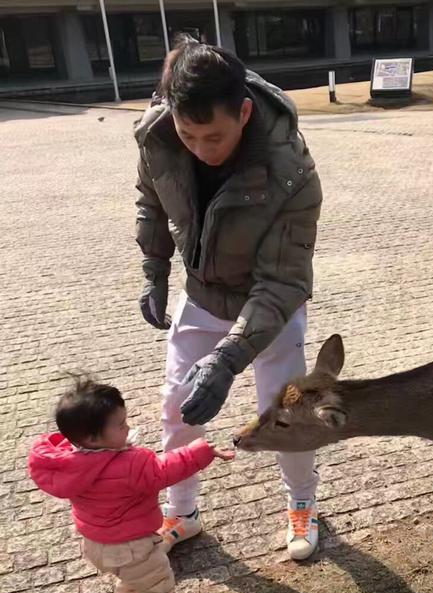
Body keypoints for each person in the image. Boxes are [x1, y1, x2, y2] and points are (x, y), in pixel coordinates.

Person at [134, 36, 322, 560]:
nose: (199, 147)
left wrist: (227, 359)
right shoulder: (159, 137)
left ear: (243, 113)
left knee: (282, 411)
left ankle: (302, 501)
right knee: (177, 405)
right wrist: (155, 268)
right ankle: (182, 511)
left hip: (271, 307)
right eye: (187, 132)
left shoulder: (292, 174)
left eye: (212, 136)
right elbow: (152, 197)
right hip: (201, 296)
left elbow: (282, 282)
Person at [28, 377, 234, 593]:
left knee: (133, 579)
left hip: (97, 545)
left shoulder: (69, 463)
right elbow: (165, 470)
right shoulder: (129, 464)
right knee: (159, 586)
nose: (128, 427)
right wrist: (202, 450)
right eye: (120, 424)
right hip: (133, 546)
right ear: (91, 438)